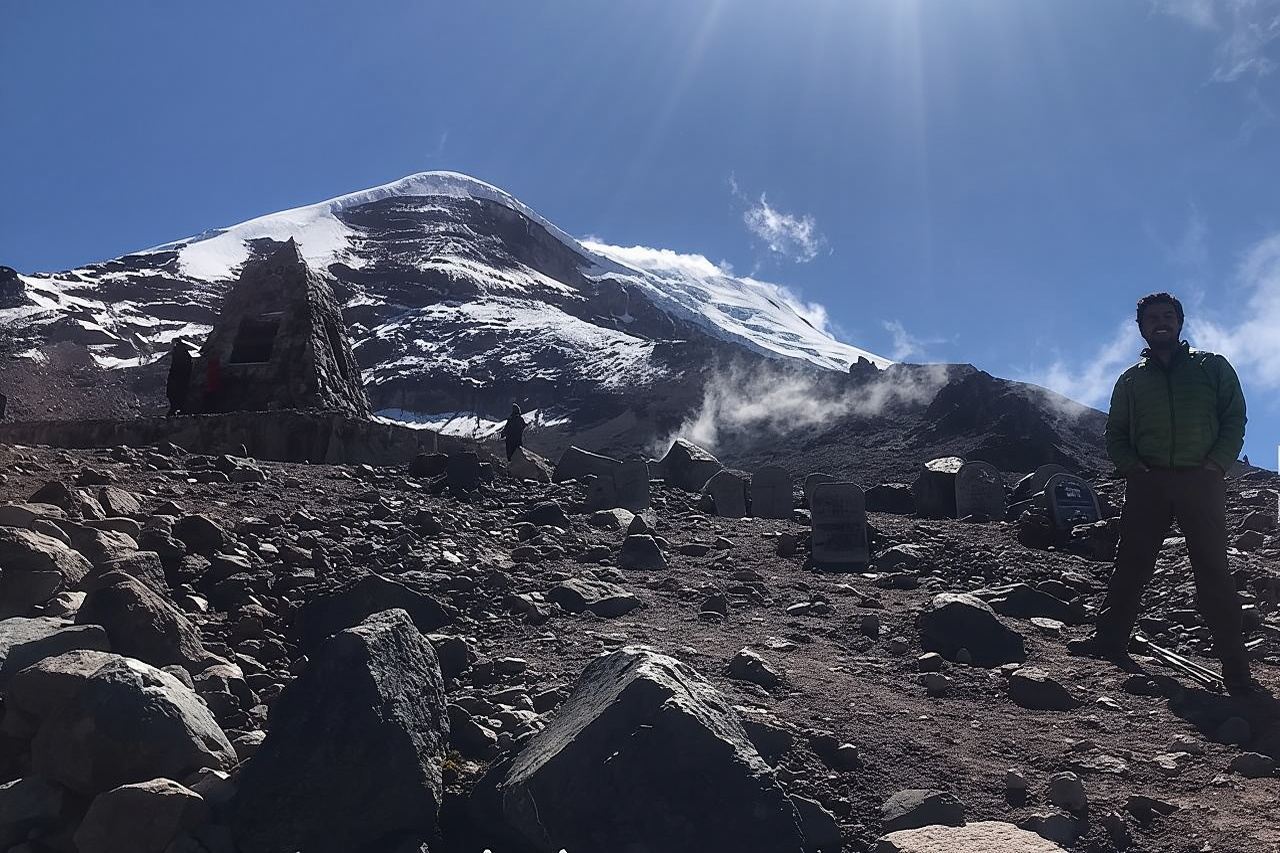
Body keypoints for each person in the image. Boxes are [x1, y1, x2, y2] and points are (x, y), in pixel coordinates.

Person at [1068, 292, 1260, 696]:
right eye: (1152, 317)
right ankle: (1110, 640)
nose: (1161, 322)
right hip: (1148, 483)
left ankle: (1237, 670)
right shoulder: (1131, 380)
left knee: (1213, 571)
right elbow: (1116, 433)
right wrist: (1133, 469)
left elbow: (1234, 417)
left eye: (1168, 316)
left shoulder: (1213, 367)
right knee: (1131, 564)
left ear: (1180, 322)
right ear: (1141, 327)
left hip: (1201, 482)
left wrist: (1217, 464)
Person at [166, 341, 193, 416]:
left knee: (177, 402)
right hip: (181, 384)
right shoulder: (185, 356)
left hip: (178, 385)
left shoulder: (178, 356)